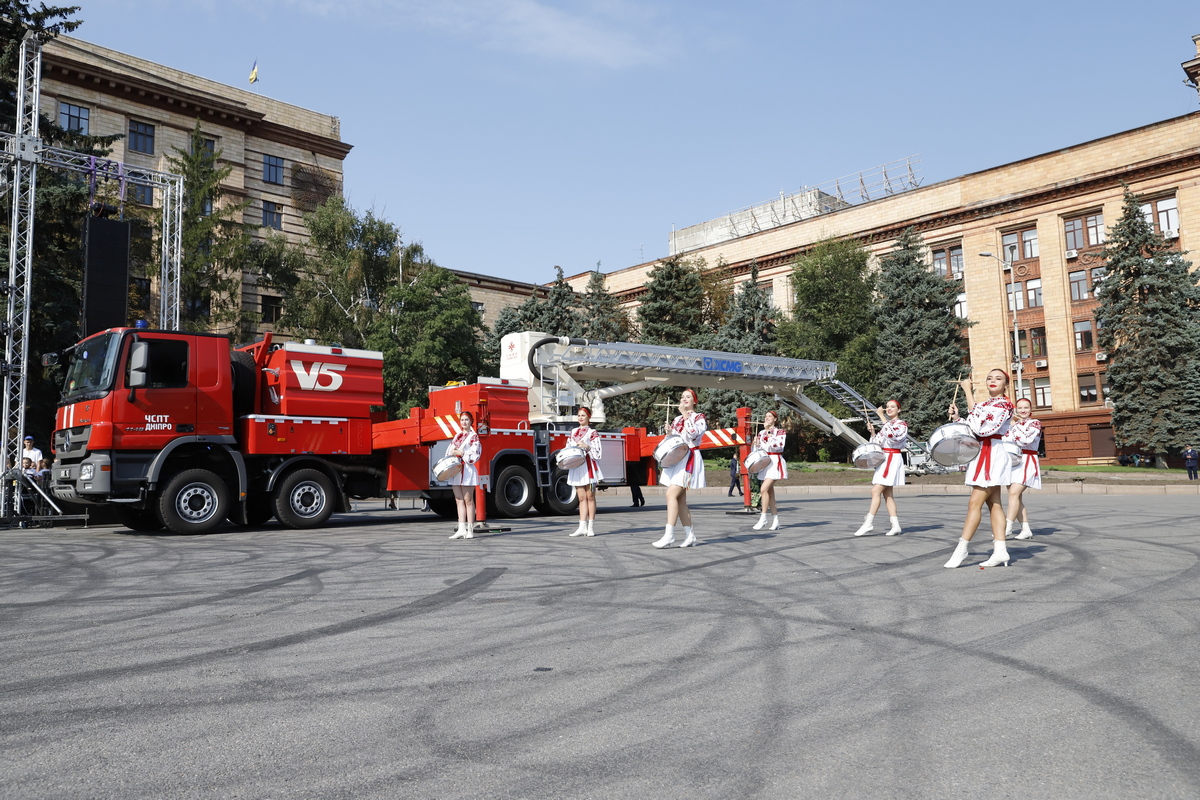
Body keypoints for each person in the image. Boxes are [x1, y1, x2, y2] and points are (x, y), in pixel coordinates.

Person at [944, 369, 1015, 568]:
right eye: (989, 378)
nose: (993, 381)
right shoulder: (984, 405)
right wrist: (958, 418)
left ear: (1005, 384)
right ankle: (1000, 551)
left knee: (974, 503)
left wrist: (968, 392)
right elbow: (971, 427)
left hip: (992, 454)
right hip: (982, 453)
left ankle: (962, 549)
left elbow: (983, 429)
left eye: (998, 378)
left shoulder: (1005, 404)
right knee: (994, 503)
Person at [653, 389, 706, 549]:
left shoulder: (699, 417)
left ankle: (669, 535)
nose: (684, 399)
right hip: (677, 459)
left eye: (688, 397)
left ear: (694, 401)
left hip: (689, 458)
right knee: (680, 500)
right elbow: (675, 440)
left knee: (671, 494)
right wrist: (669, 433)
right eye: (682, 397)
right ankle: (690, 536)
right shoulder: (676, 419)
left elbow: (693, 434)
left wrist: (685, 416)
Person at [853, 399, 907, 536]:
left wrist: (882, 417)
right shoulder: (886, 425)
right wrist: (872, 433)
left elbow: (893, 436)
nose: (889, 409)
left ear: (898, 410)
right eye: (887, 407)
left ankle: (868, 523)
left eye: (892, 407)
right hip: (885, 459)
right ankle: (896, 525)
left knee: (875, 491)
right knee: (887, 494)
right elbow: (877, 443)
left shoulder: (902, 424)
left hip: (892, 460)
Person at [1004, 397, 1042, 539]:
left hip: (1027, 461)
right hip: (1012, 462)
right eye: (1020, 408)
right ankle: (1025, 529)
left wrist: (1015, 425)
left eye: (1026, 407)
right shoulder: (1011, 424)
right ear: (1015, 409)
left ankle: (1007, 527)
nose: (1023, 410)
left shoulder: (1035, 424)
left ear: (1031, 409)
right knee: (1015, 496)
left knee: (1014, 493)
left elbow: (1025, 440)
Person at [566, 407, 603, 536]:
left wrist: (586, 447)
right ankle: (582, 526)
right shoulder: (573, 432)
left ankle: (591, 527)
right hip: (577, 467)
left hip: (589, 468)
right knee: (581, 498)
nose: (580, 418)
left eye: (583, 415)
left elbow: (598, 453)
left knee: (590, 497)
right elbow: (568, 447)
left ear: (588, 417)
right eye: (579, 415)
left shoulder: (593, 432)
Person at [446, 411, 483, 540]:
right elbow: (449, 450)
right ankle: (461, 529)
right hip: (456, 470)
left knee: (468, 500)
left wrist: (461, 453)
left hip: (467, 470)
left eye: (467, 419)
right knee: (458, 500)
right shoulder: (457, 436)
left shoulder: (474, 436)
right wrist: (453, 453)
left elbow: (475, 454)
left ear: (471, 421)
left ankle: (470, 529)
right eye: (462, 420)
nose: (464, 422)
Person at [751, 409, 787, 530]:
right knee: (770, 493)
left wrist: (769, 433)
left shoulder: (780, 432)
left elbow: (778, 446)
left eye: (770, 416)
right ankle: (776, 520)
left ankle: (763, 518)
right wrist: (756, 444)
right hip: (766, 463)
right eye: (766, 416)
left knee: (763, 489)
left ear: (775, 419)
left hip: (775, 462)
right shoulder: (761, 433)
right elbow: (758, 450)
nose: (767, 418)